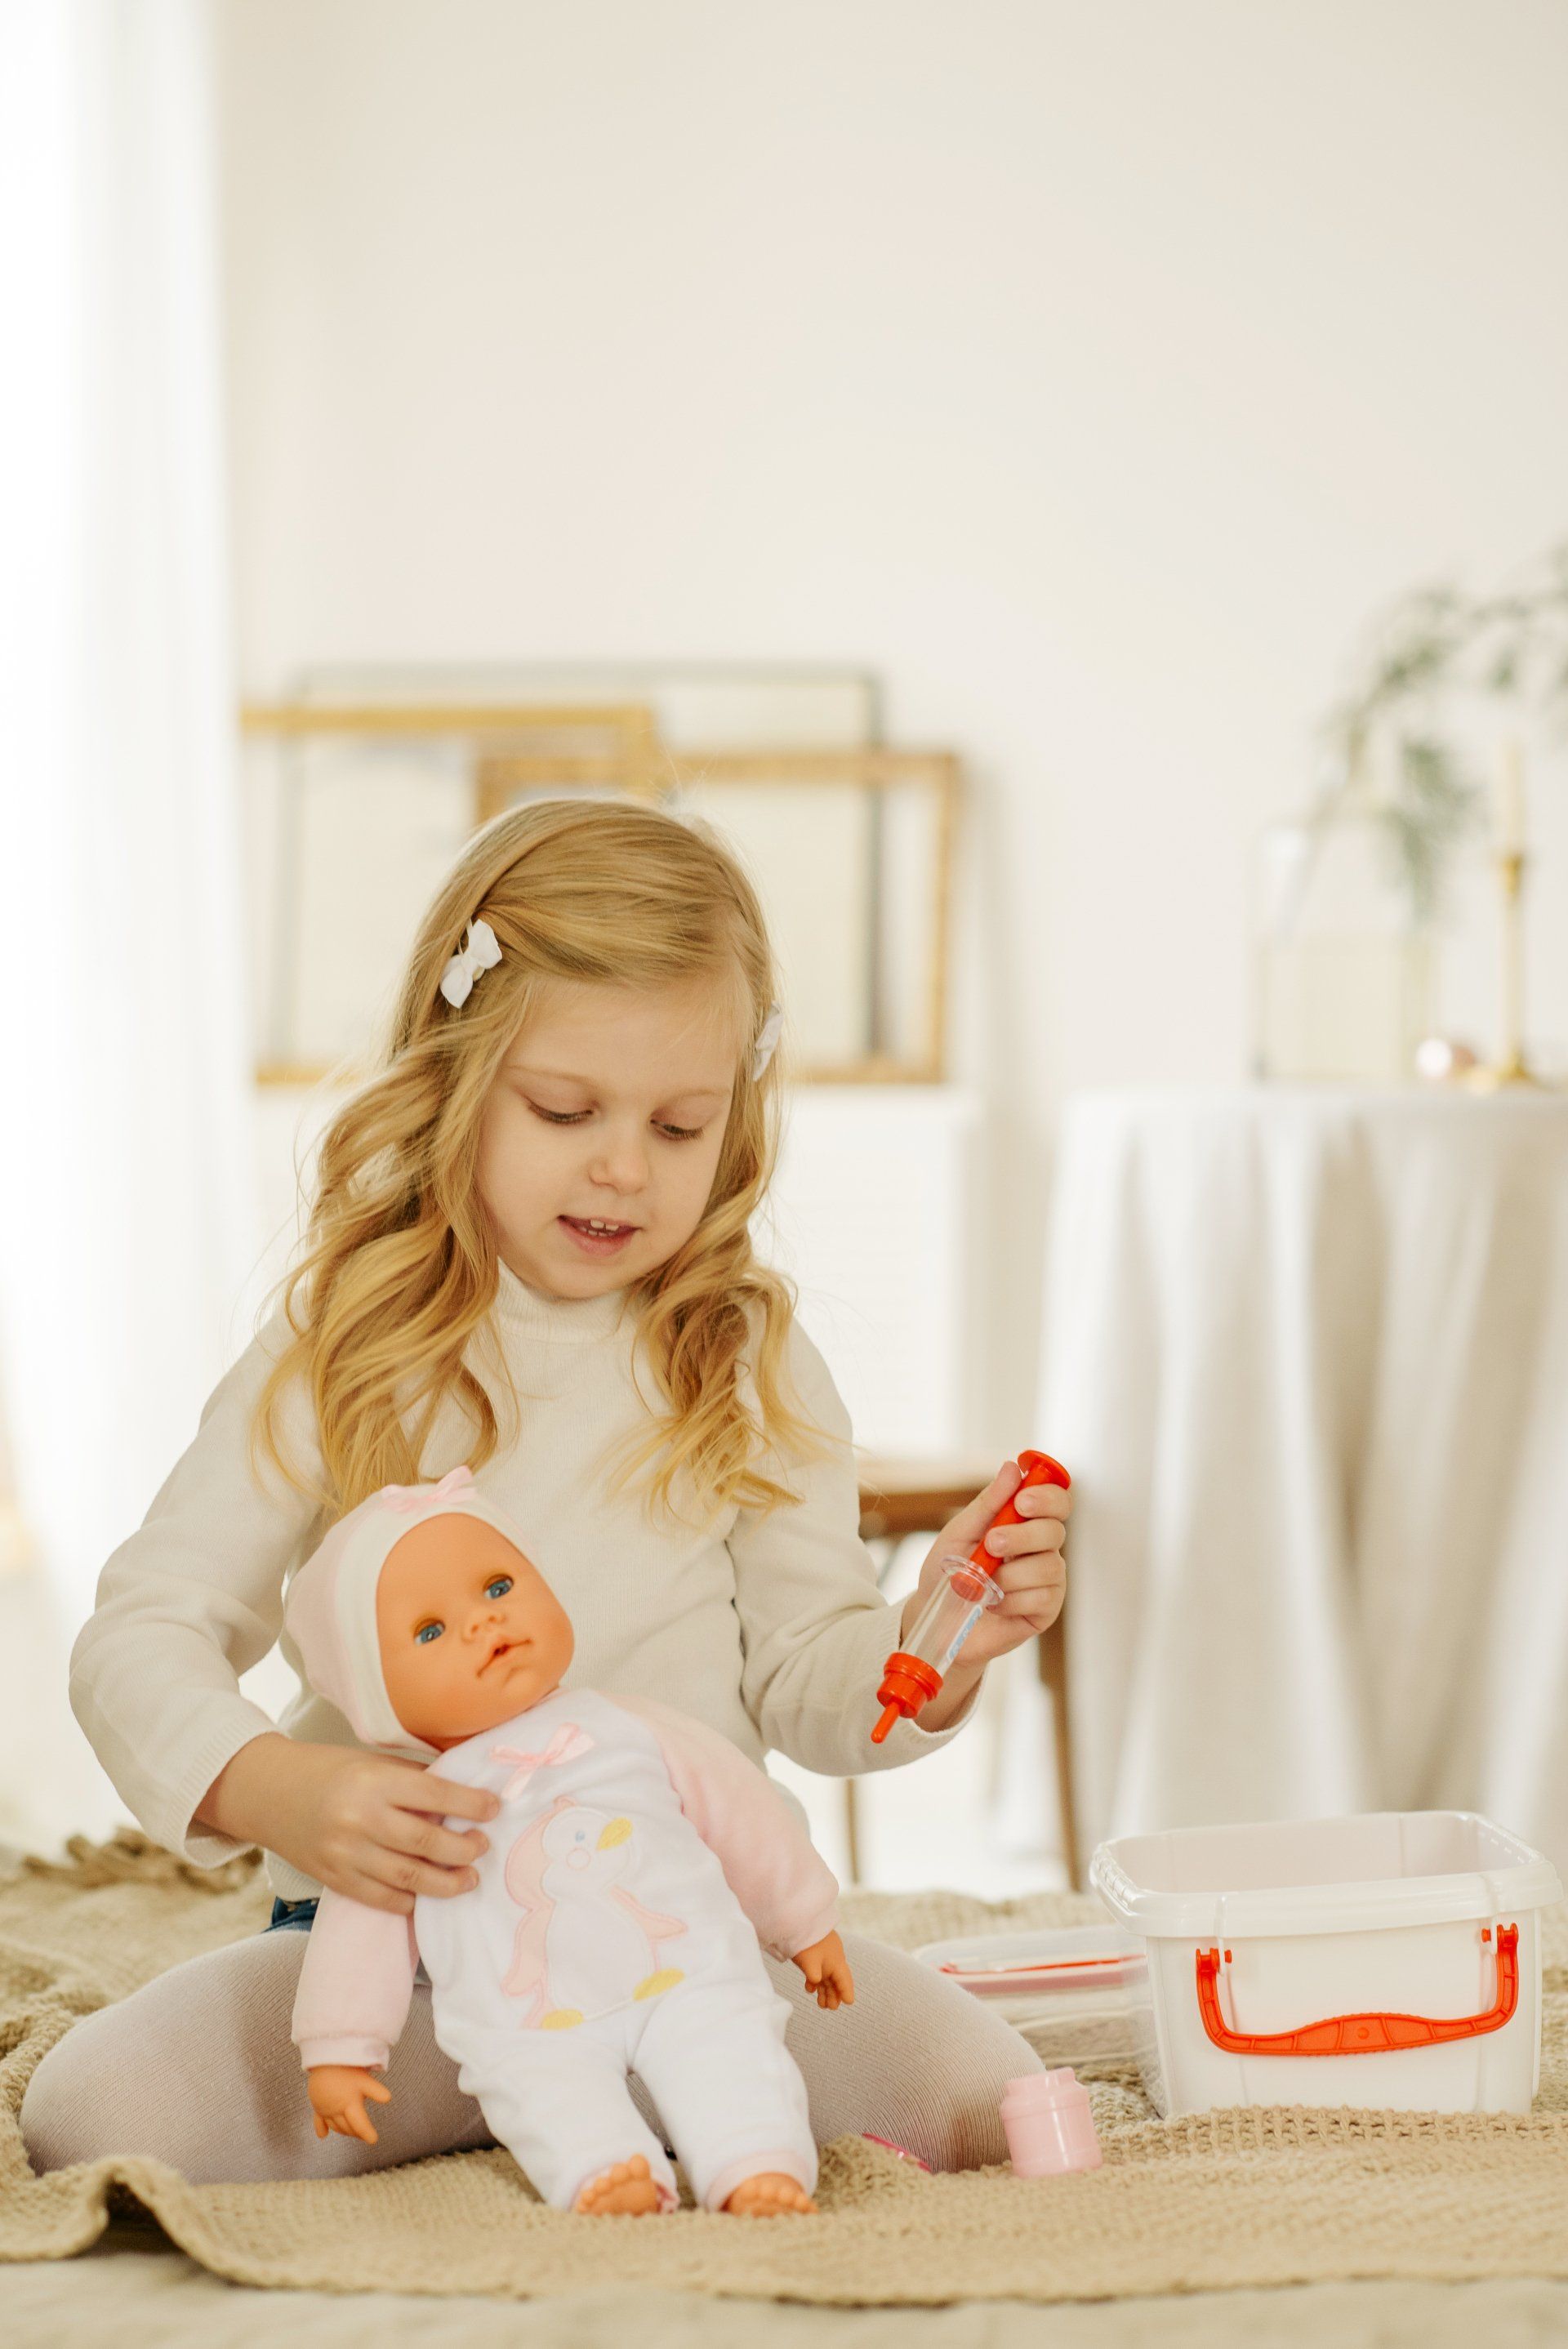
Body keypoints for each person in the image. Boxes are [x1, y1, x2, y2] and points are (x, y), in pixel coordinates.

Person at [22, 797, 1070, 2185]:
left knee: (987, 2097)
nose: (624, 1167)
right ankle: (552, 2105)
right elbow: (141, 1633)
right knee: (96, 2117)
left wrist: (934, 1642)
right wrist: (283, 1791)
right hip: (399, 1976)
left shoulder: (747, 1358)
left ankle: (636, 2100)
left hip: (687, 1950)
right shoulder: (346, 1343)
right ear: (455, 1073)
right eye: (566, 1110)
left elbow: (818, 1682)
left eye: (683, 1125)